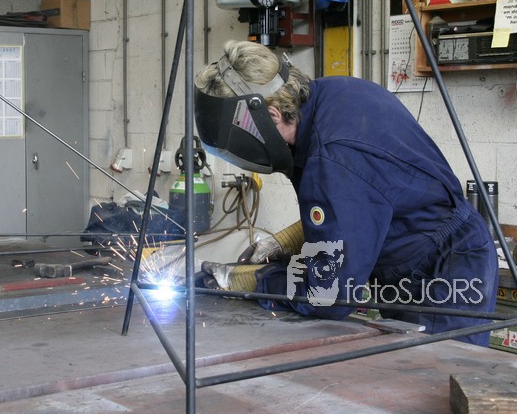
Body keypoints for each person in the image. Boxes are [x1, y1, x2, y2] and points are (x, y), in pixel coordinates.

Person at [193, 39, 498, 346]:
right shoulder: (331, 93)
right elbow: (361, 206)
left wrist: (252, 280)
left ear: (271, 116)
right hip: (426, 257)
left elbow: (328, 296)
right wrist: (283, 241)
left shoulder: (332, 159)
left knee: (438, 374)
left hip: (443, 274)